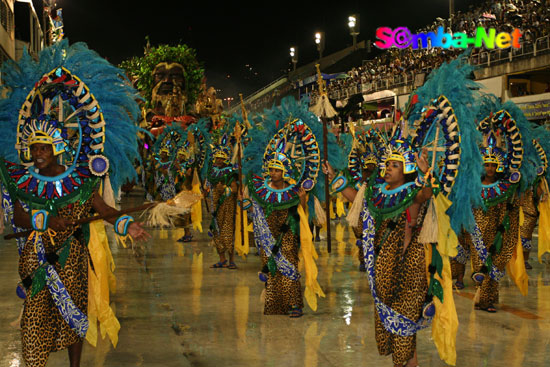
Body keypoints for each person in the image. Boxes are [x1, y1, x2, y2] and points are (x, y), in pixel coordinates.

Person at [0, 41, 150, 367]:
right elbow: (22, 218)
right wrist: (46, 222)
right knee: (34, 324)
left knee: (74, 323)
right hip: (37, 260)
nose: (36, 154)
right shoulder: (27, 181)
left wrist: (128, 225)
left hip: (74, 261)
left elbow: (105, 210)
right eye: (33, 148)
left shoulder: (80, 181)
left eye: (42, 148)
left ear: (56, 149)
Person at [325, 140, 432, 367]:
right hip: (382, 269)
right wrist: (334, 176)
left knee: (404, 319)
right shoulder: (376, 193)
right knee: (391, 324)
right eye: (388, 164)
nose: (389, 168)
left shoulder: (412, 192)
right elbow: (355, 199)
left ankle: (407, 363)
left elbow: (424, 195)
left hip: (408, 267)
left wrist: (426, 172)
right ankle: (410, 363)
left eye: (395, 164)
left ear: (406, 170)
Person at [206, 145, 238, 269]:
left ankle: (231, 260)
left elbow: (235, 188)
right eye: (217, 158)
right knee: (217, 232)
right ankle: (222, 259)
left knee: (227, 232)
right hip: (216, 207)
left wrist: (224, 189)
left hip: (228, 206)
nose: (218, 160)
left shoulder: (230, 172)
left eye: (221, 158)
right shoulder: (212, 172)